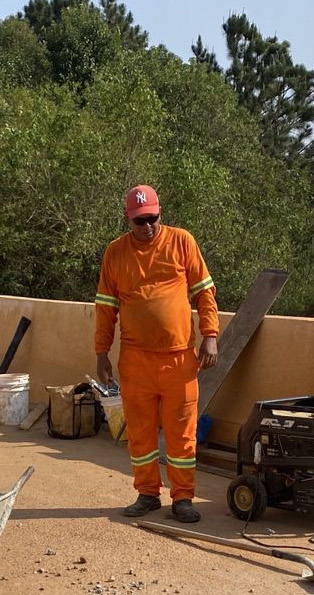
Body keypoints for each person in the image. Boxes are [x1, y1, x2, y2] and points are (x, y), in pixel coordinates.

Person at [93, 184, 219, 523]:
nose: (147, 226)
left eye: (152, 218)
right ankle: (147, 493)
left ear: (160, 213)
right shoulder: (115, 253)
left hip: (179, 359)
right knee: (140, 433)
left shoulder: (182, 242)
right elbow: (105, 307)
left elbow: (204, 292)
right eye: (140, 221)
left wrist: (210, 335)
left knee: (182, 435)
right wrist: (101, 352)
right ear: (128, 218)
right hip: (135, 361)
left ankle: (183, 498)